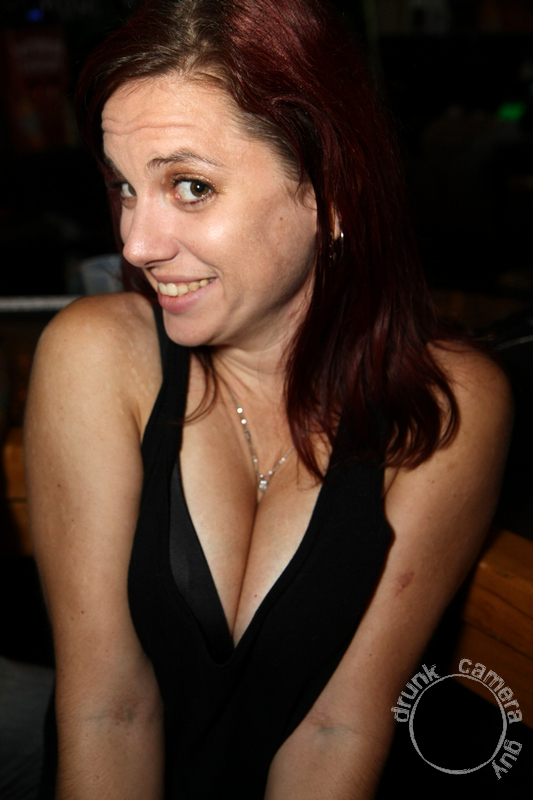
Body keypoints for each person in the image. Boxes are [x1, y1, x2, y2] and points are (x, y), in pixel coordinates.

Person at [24, 0, 512, 797]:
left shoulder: (448, 403)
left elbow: (338, 728)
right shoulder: (98, 356)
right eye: (124, 187)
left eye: (189, 186)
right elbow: (109, 709)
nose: (136, 244)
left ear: (331, 192)